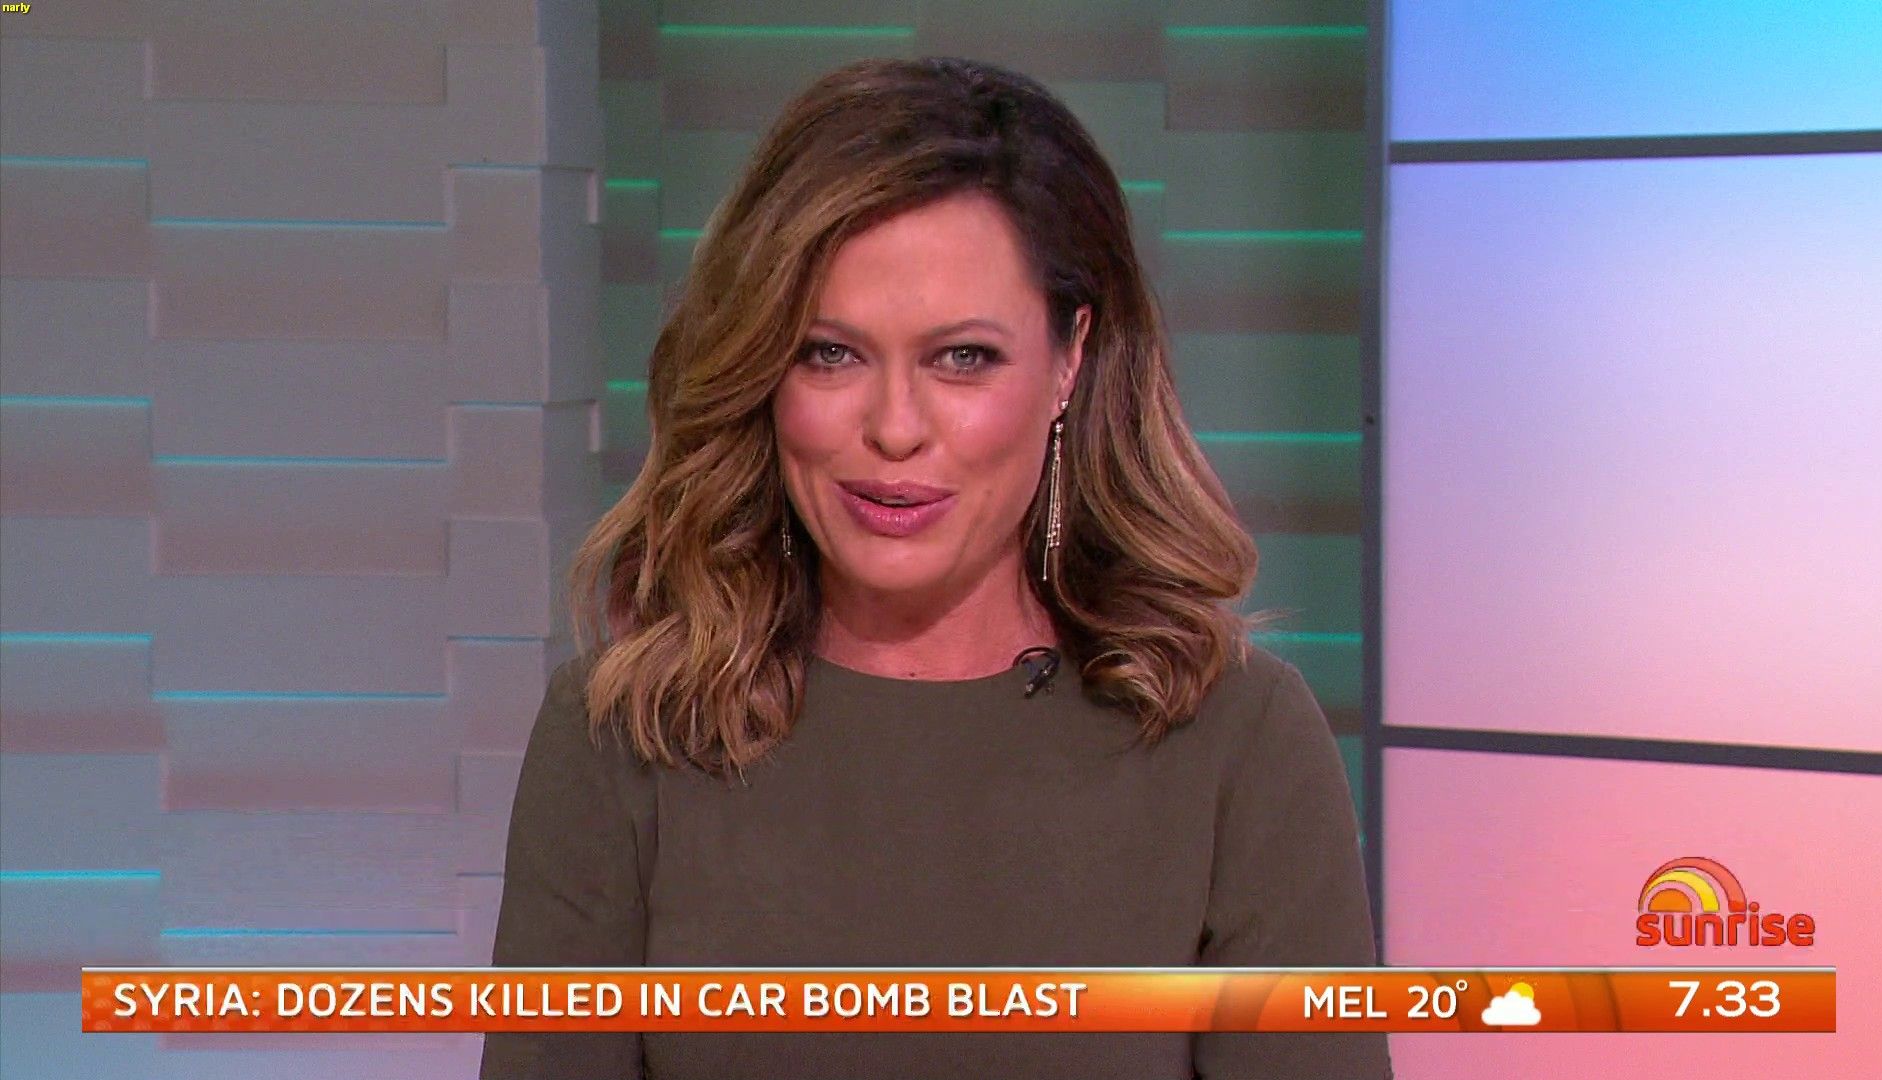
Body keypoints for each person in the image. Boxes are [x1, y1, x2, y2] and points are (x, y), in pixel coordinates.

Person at [480, 55, 1389, 1079]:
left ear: (1070, 359)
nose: (895, 428)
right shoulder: (623, 737)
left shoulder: (1236, 743)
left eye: (963, 357)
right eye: (830, 353)